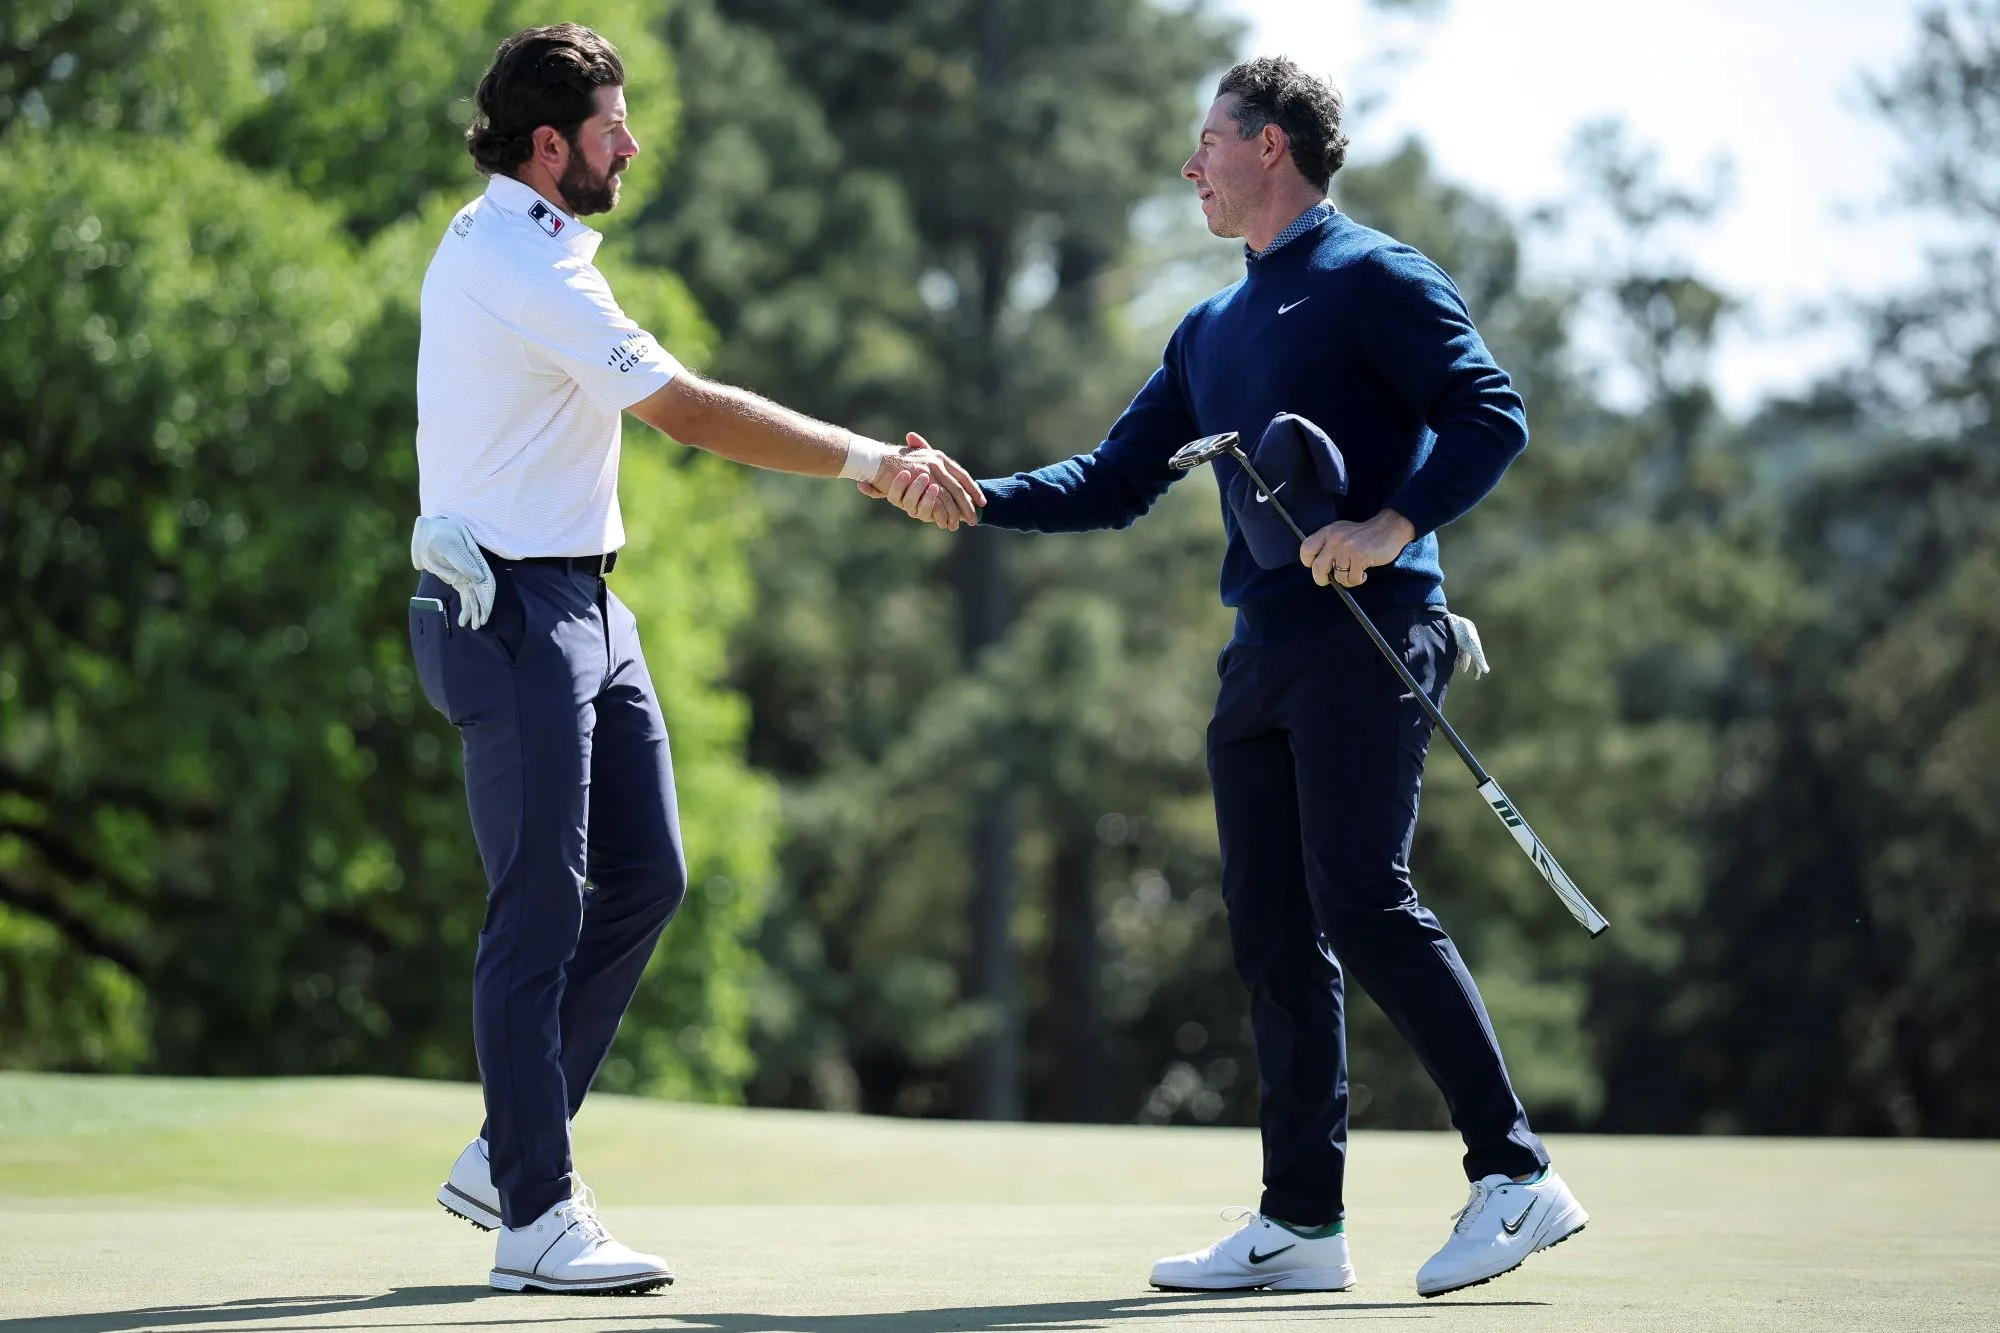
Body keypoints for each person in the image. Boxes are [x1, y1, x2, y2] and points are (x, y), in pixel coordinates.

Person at [873, 56, 1587, 1299]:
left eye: (1207, 141)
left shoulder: (1374, 275)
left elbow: (1489, 408)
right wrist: (979, 496)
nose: (1188, 164)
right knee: (1269, 928)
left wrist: (1388, 525)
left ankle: (1514, 1174)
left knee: (1360, 894)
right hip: (1259, 651)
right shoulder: (1210, 328)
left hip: (1371, 635)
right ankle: (1302, 1224)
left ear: (1269, 147)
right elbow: (1112, 478)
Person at [409, 23, 978, 1296]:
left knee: (647, 875)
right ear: (551, 145)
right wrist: (875, 466)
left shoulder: (526, 243)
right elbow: (688, 410)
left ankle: (510, 1152)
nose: (632, 143)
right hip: (511, 609)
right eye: (613, 126)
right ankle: (535, 1215)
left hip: (587, 605)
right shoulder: (523, 263)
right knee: (537, 906)